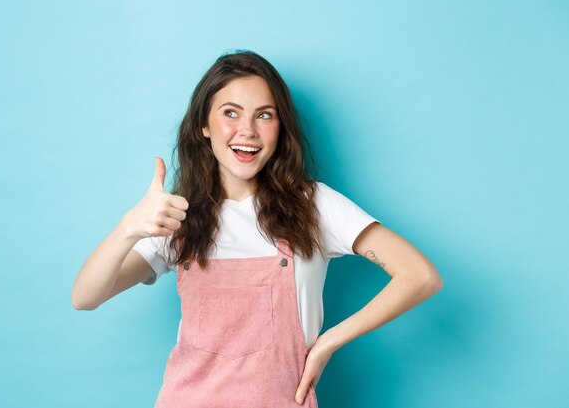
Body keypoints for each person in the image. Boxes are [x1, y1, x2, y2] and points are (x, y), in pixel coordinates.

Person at [71, 49, 443, 408]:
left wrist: (329, 342)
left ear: (281, 128)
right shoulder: (177, 216)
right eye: (230, 113)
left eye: (265, 115)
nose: (247, 130)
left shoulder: (313, 205)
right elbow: (85, 297)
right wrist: (129, 229)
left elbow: (420, 275)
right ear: (204, 124)